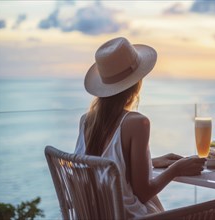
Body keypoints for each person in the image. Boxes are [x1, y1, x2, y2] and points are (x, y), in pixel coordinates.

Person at [74, 37, 207, 218]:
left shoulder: (86, 121)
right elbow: (144, 193)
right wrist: (176, 169)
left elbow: (105, 170)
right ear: (137, 82)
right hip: (131, 216)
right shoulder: (137, 123)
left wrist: (149, 163)